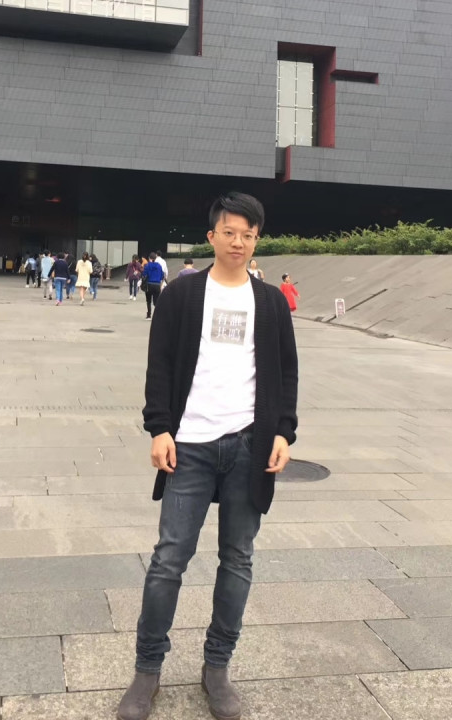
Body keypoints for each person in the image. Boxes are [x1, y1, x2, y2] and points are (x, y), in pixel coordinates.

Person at [117, 193, 298, 720]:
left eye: (248, 234)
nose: (238, 242)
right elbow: (159, 364)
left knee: (237, 559)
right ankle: (147, 670)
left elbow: (286, 371)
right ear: (212, 236)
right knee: (168, 559)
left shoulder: (270, 302)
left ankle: (217, 668)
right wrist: (160, 428)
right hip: (190, 445)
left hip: (249, 446)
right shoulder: (182, 293)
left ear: (256, 240)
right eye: (230, 232)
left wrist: (284, 432)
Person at [141, 252, 164, 319]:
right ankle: (157, 315)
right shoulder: (159, 266)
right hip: (157, 285)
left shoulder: (147, 265)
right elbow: (162, 275)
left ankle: (149, 315)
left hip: (149, 284)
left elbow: (144, 274)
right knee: (156, 302)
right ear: (155, 258)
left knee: (148, 301)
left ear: (149, 258)